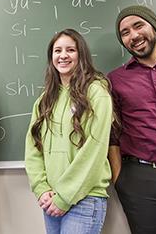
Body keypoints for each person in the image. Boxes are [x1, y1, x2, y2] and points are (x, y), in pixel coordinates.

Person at [25, 28, 113, 234]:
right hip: (51, 198)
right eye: (57, 51)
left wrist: (64, 196)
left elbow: (95, 150)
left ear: (80, 55)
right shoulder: (44, 100)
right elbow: (32, 148)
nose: (63, 55)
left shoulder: (96, 93)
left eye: (70, 50)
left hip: (84, 198)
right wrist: (41, 188)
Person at [108, 5, 156, 234]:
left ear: (155, 28)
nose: (133, 35)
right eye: (125, 33)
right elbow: (112, 133)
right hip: (139, 180)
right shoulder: (115, 80)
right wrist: (119, 178)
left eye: (138, 25)